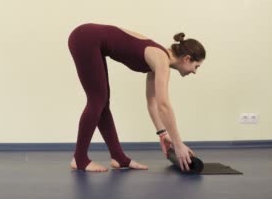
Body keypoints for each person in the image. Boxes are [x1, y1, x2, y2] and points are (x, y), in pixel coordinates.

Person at [67, 23, 206, 172]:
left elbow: (152, 102)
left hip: (89, 38)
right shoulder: (161, 61)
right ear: (187, 59)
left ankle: (118, 157)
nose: (195, 72)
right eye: (196, 66)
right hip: (85, 38)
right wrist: (178, 145)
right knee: (97, 100)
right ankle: (79, 159)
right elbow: (163, 105)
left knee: (102, 101)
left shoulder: (159, 59)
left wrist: (163, 134)